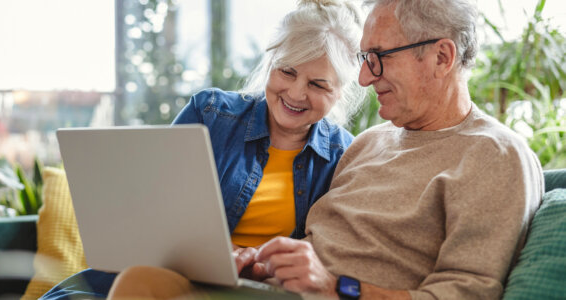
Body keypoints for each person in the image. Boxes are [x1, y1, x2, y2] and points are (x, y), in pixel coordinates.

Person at [105, 0, 544, 299]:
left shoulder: (495, 155)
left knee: (142, 285)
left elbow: (466, 292)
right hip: (271, 289)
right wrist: (261, 261)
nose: (366, 81)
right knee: (142, 281)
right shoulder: (370, 143)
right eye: (365, 59)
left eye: (378, 58)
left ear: (442, 57)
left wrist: (339, 286)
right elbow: (314, 243)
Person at [40, 0, 364, 299]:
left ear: (340, 91)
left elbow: (331, 253)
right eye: (287, 71)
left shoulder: (344, 156)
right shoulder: (210, 113)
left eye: (317, 84)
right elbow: (154, 215)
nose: (295, 93)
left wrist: (262, 261)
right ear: (270, 64)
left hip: (255, 291)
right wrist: (226, 251)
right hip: (170, 276)